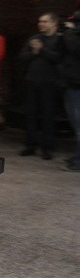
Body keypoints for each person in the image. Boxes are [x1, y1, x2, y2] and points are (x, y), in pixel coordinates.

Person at [19, 12, 63, 160]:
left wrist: (41, 50)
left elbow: (57, 58)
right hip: (31, 82)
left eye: (45, 22)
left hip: (49, 84)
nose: (41, 24)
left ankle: (47, 148)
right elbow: (23, 56)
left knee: (47, 116)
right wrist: (35, 51)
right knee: (31, 115)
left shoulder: (59, 40)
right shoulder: (34, 38)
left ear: (53, 24)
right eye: (40, 21)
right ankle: (30, 145)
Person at [61, 11, 80, 171]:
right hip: (72, 84)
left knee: (79, 125)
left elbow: (74, 47)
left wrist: (69, 31)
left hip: (77, 86)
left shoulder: (72, 36)